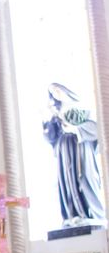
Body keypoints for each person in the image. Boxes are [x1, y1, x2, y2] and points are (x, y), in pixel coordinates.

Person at [42, 82, 105, 226]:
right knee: (68, 182)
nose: (56, 94)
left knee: (84, 178)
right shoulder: (55, 111)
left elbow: (96, 129)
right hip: (64, 150)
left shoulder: (82, 106)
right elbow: (51, 137)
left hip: (80, 148)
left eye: (57, 89)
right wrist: (48, 124)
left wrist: (74, 128)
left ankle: (92, 213)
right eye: (52, 92)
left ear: (65, 89)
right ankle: (73, 215)